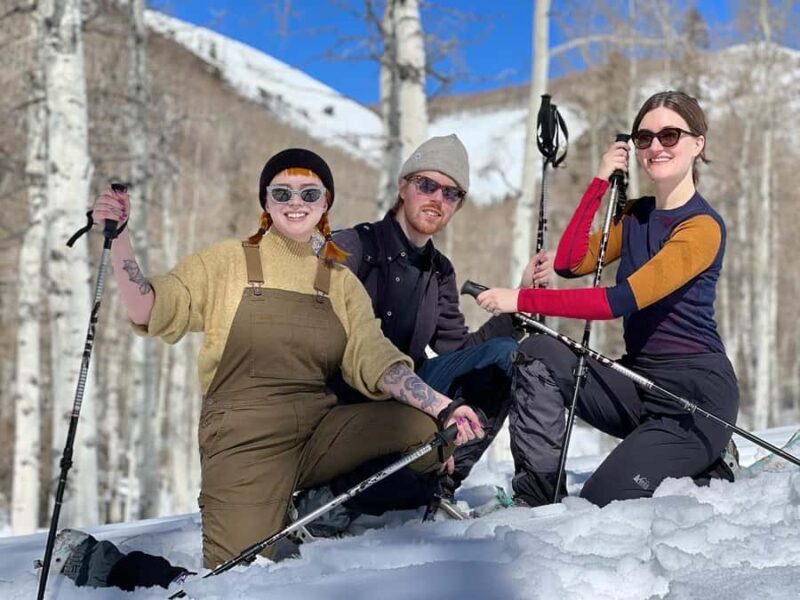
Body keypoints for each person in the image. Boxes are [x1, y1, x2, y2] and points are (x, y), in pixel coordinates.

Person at [55, 148, 484, 589]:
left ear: (325, 203)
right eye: (282, 192)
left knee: (422, 430)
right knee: (233, 579)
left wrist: (442, 406)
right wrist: (120, 239)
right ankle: (108, 563)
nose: (295, 202)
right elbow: (150, 306)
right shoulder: (226, 261)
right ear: (266, 202)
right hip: (245, 437)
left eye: (309, 193)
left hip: (319, 431)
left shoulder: (338, 279)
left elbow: (375, 358)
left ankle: (320, 507)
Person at [476, 91, 739, 507]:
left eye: (670, 135)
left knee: (605, 500)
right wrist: (599, 181)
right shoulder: (635, 215)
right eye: (644, 138)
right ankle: (539, 497)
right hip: (639, 382)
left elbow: (620, 300)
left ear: (697, 143)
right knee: (539, 352)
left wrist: (519, 299)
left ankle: (711, 464)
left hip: (693, 397)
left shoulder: (701, 227)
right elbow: (569, 262)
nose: (655, 147)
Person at [322, 134, 553, 513]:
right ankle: (357, 486)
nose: (437, 199)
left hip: (410, 394)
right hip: (348, 408)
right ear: (403, 186)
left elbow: (460, 353)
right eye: (427, 185)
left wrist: (518, 302)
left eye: (451, 193)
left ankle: (442, 481)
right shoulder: (353, 247)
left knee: (505, 356)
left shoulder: (438, 270)